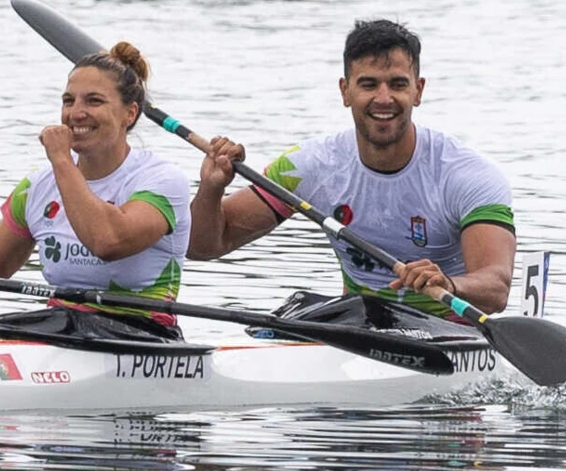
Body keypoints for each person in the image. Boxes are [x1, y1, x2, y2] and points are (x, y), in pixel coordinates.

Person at [187, 18, 515, 324]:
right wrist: (212, 188)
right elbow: (205, 246)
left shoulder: (468, 175)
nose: (383, 99)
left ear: (418, 91)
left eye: (398, 84)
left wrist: (449, 284)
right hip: (360, 326)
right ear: (345, 91)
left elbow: (496, 288)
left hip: (449, 326)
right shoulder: (309, 166)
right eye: (369, 85)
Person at [0, 43, 193, 344]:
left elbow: (108, 241)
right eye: (68, 101)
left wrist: (60, 160)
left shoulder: (161, 180)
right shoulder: (37, 187)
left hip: (144, 333)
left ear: (130, 113)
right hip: (64, 329)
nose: (76, 113)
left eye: (93, 101)